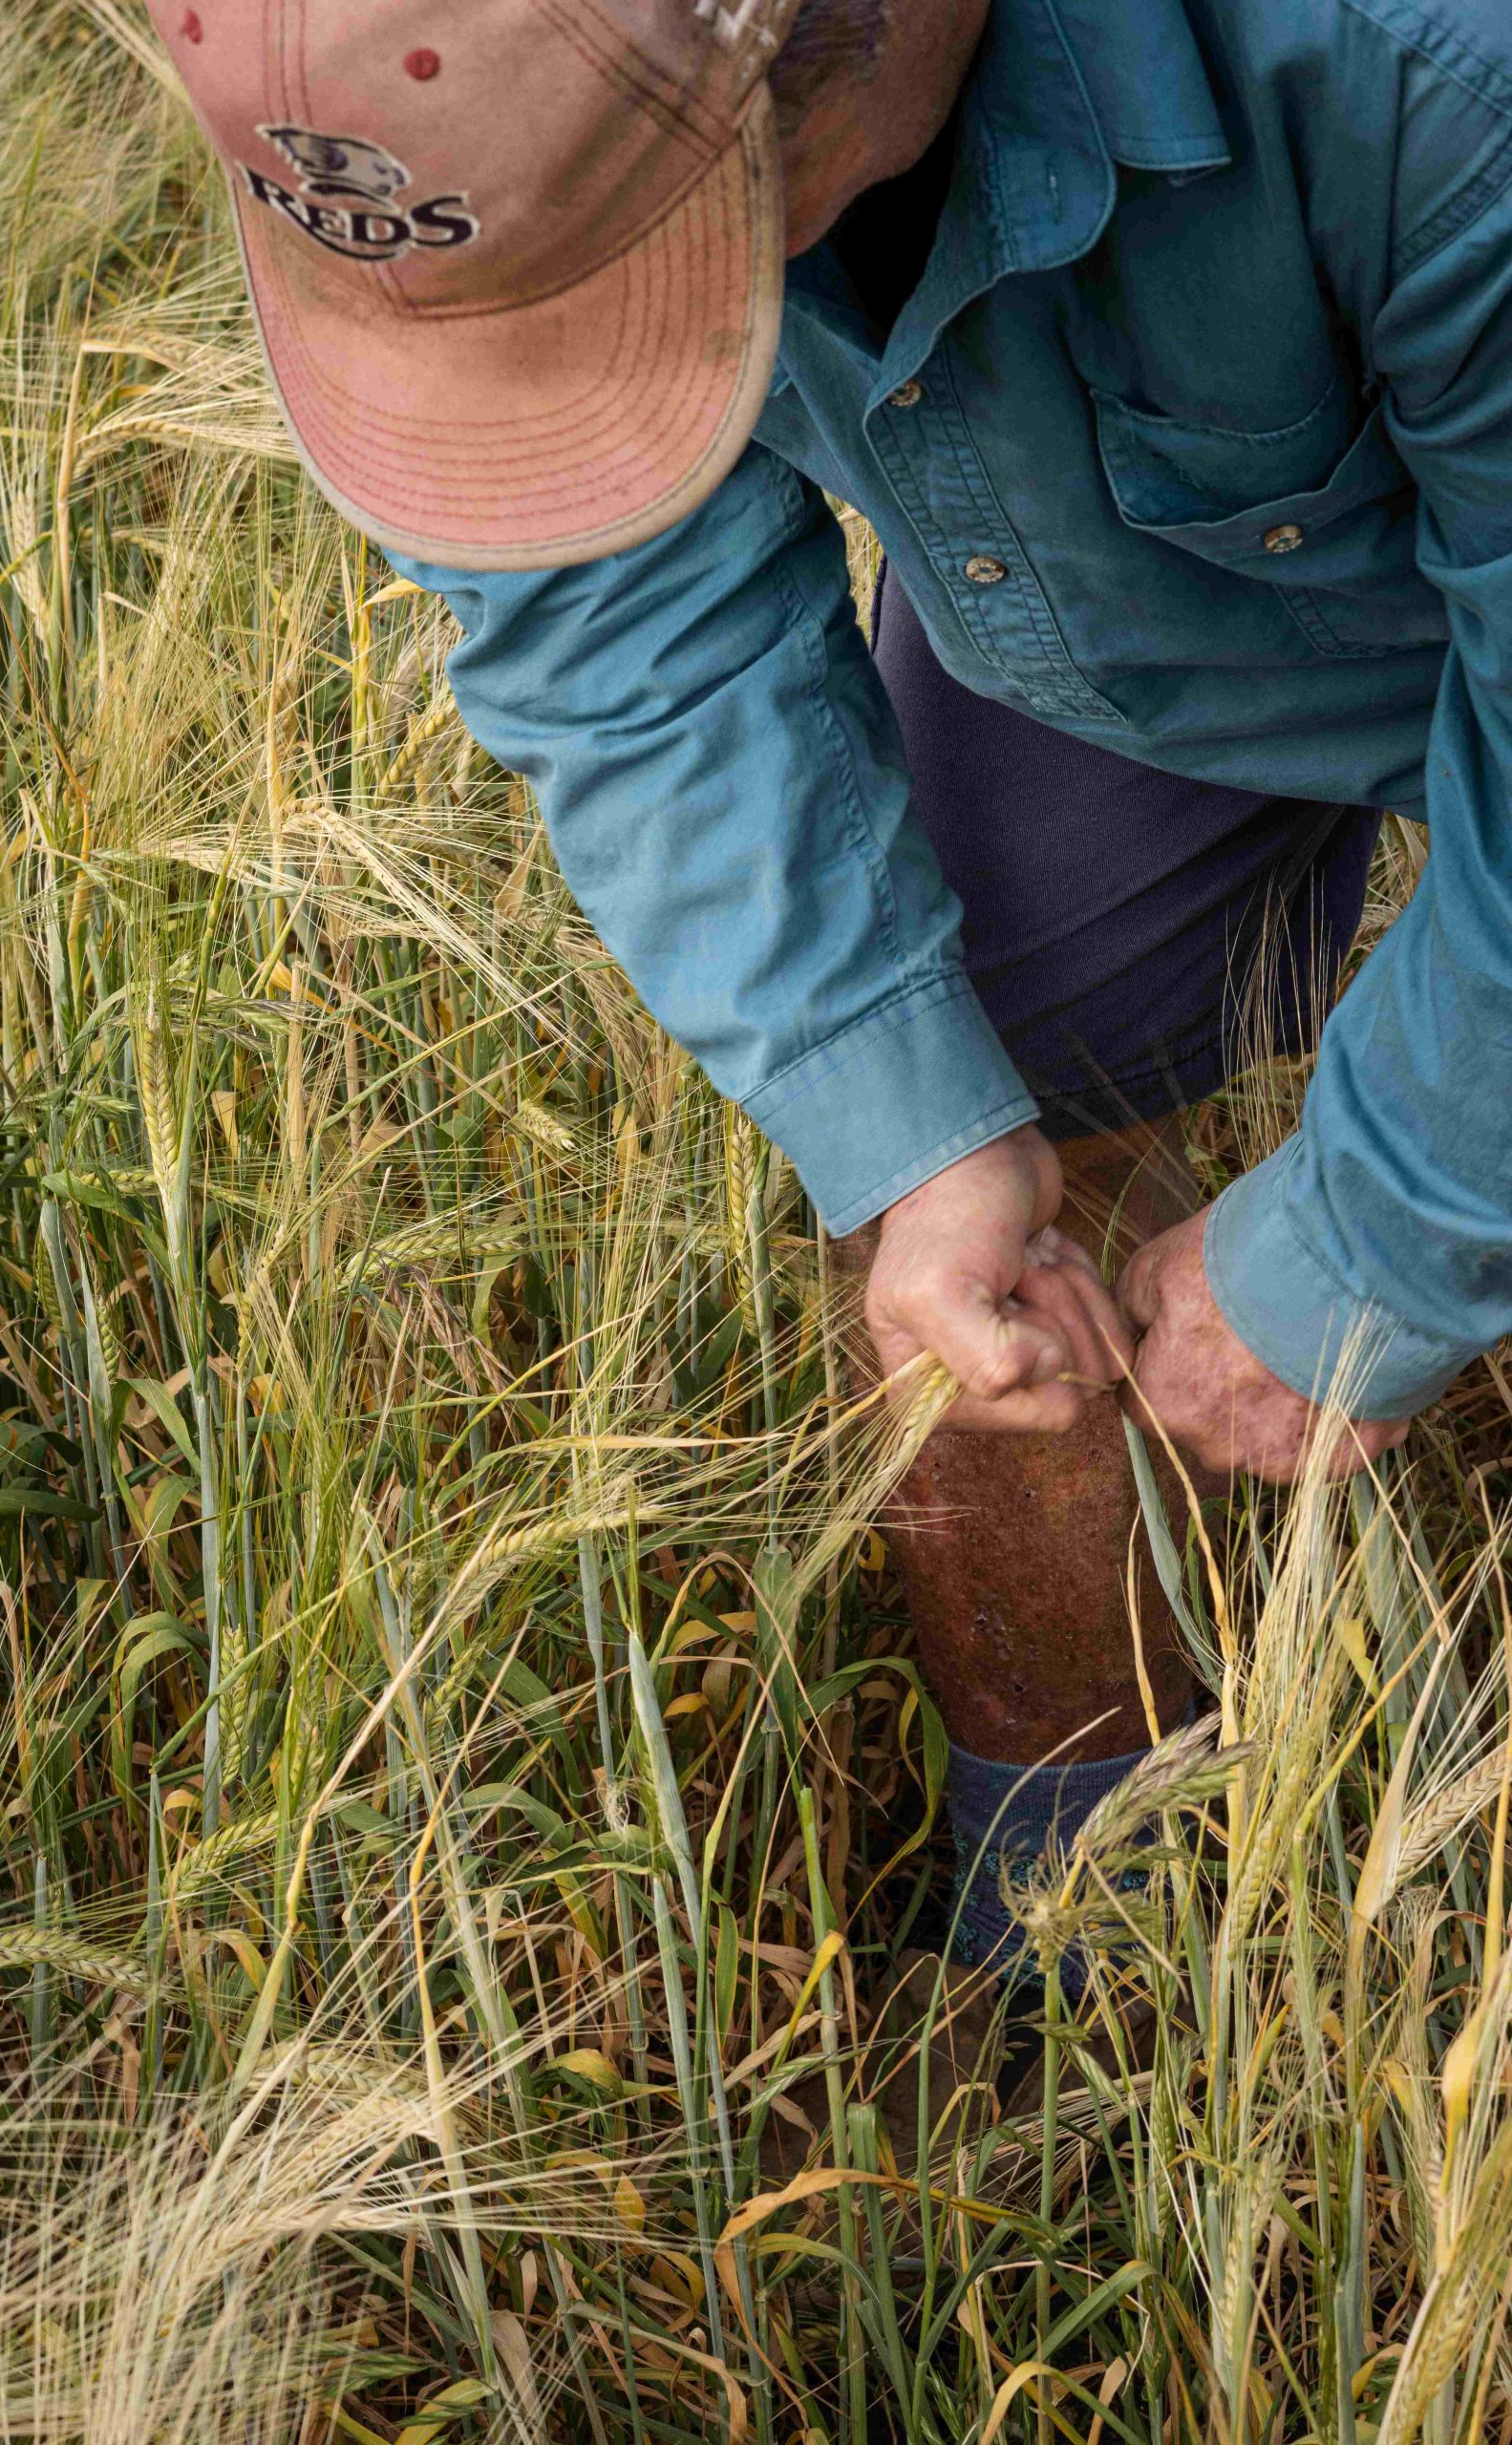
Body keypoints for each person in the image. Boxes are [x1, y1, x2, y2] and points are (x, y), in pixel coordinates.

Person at [154, 0, 1512, 1988]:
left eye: (648, 284)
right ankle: (1078, 1932)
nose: (601, 342)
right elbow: (614, 611)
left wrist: (1370, 1239)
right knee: (977, 1207)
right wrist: (912, 1125)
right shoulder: (400, 91)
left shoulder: (1427, 64)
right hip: (1138, 567)